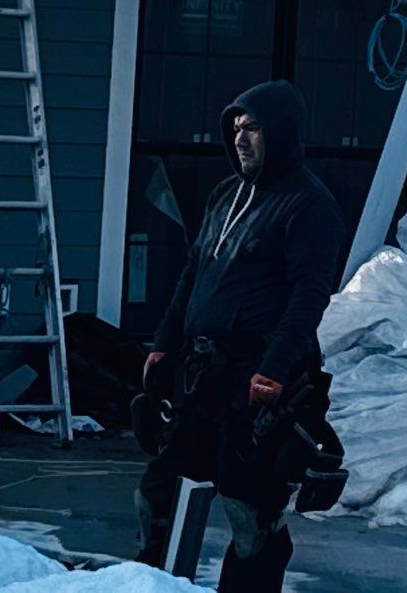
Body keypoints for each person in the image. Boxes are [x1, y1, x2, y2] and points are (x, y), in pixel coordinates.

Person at [134, 80, 348, 588]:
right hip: (201, 377)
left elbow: (308, 296)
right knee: (157, 494)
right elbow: (192, 274)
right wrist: (164, 344)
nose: (240, 138)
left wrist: (274, 370)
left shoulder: (308, 205)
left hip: (257, 383)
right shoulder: (224, 195)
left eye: (251, 128)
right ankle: (153, 584)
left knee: (248, 514)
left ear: (281, 132)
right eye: (234, 129)